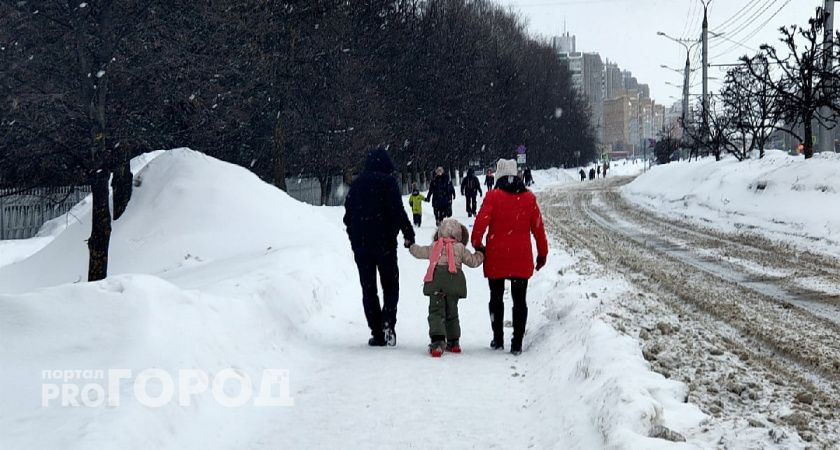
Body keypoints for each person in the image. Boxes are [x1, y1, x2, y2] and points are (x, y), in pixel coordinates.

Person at [471, 159, 548, 355]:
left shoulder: (493, 197)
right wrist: (542, 254)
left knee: (495, 298)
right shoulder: (529, 199)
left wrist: (478, 244)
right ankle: (517, 343)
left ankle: (498, 339)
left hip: (496, 256)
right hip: (521, 258)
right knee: (519, 300)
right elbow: (539, 230)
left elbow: (480, 224)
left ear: (499, 176)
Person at [343, 147, 415, 347]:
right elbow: (397, 211)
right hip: (385, 244)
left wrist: (354, 238)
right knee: (391, 285)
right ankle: (388, 323)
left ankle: (376, 332)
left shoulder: (356, 185)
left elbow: (348, 217)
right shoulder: (388, 182)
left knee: (369, 289)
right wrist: (408, 234)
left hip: (362, 247)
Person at [409, 218, 484, 357]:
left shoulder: (434, 246)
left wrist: (411, 246)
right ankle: (454, 342)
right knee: (452, 312)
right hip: (453, 283)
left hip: (436, 282)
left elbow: (420, 252)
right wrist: (481, 253)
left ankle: (437, 342)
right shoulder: (460, 248)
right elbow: (473, 262)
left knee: (436, 312)